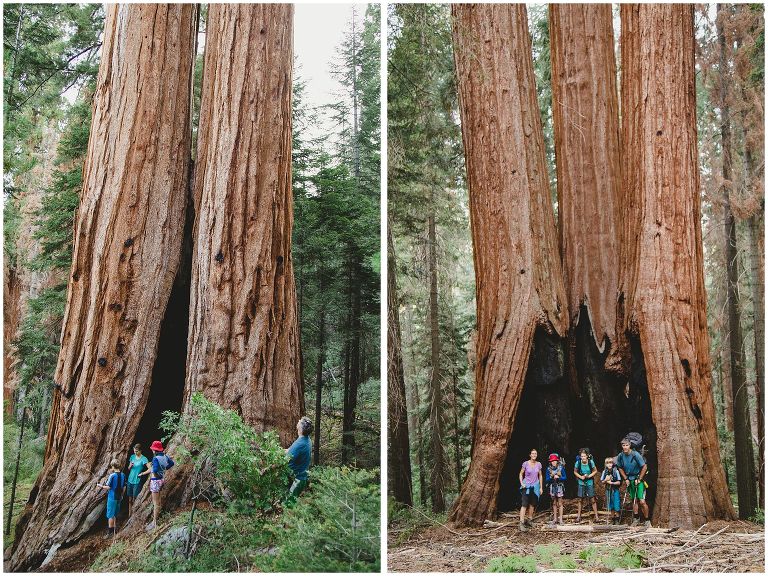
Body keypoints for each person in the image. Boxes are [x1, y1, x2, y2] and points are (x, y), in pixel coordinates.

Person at [139, 440, 174, 531]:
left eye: (153, 449)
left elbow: (154, 470)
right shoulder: (164, 456)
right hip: (162, 480)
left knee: (155, 503)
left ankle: (154, 523)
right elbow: (171, 463)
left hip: (155, 481)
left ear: (154, 450)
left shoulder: (155, 458)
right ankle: (159, 517)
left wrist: (153, 467)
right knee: (159, 501)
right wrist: (164, 469)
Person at [615, 437, 650, 527]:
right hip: (629, 480)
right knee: (634, 500)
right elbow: (620, 467)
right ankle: (636, 518)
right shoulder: (620, 456)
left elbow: (644, 467)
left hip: (638, 479)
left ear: (630, 445)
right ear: (622, 446)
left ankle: (647, 520)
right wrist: (625, 479)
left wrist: (640, 479)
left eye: (627, 445)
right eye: (623, 445)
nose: (625, 447)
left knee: (641, 501)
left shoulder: (635, 454)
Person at [96, 459, 126, 539]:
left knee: (110, 515)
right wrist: (122, 495)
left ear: (113, 467)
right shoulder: (123, 475)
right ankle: (114, 529)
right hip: (119, 497)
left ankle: (110, 533)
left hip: (112, 497)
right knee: (115, 513)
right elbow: (124, 486)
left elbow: (108, 487)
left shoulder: (112, 476)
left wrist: (100, 486)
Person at [285, 416, 313, 503]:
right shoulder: (305, 439)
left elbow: (285, 460)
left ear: (300, 428)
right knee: (290, 501)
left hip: (297, 479)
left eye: (300, 421)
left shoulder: (300, 443)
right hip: (299, 477)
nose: (298, 421)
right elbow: (290, 451)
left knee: (289, 504)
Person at [518, 448, 543, 532]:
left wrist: (541, 487)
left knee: (532, 504)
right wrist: (522, 483)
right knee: (524, 504)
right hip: (526, 486)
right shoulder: (525, 463)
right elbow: (521, 473)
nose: (534, 455)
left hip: (535, 486)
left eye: (535, 454)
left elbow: (540, 475)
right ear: (530, 455)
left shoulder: (539, 464)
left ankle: (529, 520)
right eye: (532, 453)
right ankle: (521, 523)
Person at [573, 448, 599, 523]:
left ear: (587, 456)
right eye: (582, 456)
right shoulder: (578, 463)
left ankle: (596, 516)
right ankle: (578, 517)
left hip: (589, 481)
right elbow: (575, 471)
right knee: (580, 499)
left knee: (592, 499)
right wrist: (580, 477)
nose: (583, 458)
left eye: (584, 456)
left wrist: (589, 476)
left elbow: (595, 471)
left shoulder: (591, 462)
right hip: (581, 482)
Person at [126, 443, 149, 516]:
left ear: (141, 451)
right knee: (129, 499)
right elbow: (129, 469)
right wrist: (130, 466)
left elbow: (150, 468)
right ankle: (129, 514)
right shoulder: (132, 457)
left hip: (137, 480)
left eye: (137, 451)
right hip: (130, 479)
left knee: (134, 498)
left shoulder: (144, 459)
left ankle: (134, 514)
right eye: (134, 451)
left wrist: (142, 473)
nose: (135, 452)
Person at [545, 453, 566, 525]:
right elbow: (547, 479)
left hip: (559, 486)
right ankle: (555, 519)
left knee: (560, 503)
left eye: (555, 461)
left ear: (557, 461)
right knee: (554, 503)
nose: (553, 462)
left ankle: (560, 520)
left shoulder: (561, 468)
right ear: (550, 462)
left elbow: (565, 477)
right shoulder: (548, 469)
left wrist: (559, 477)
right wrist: (551, 477)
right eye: (552, 461)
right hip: (552, 487)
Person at [601, 456, 622, 524]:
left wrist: (612, 482)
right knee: (611, 504)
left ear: (613, 464)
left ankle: (617, 519)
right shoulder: (605, 472)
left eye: (610, 463)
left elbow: (619, 482)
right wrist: (605, 480)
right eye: (607, 463)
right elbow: (602, 481)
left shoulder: (616, 471)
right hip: (608, 490)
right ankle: (613, 518)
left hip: (615, 490)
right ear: (605, 464)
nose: (609, 464)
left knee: (616, 504)